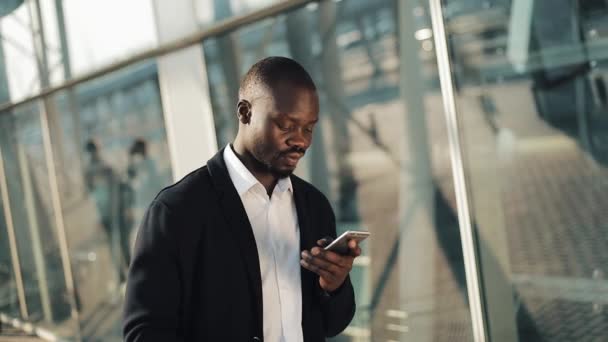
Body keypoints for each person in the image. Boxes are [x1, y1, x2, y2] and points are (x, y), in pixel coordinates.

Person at [123, 56, 361, 341]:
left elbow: (332, 325)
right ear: (245, 112)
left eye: (308, 128)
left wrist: (334, 286)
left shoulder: (315, 206)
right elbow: (143, 333)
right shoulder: (177, 211)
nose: (301, 141)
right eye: (286, 125)